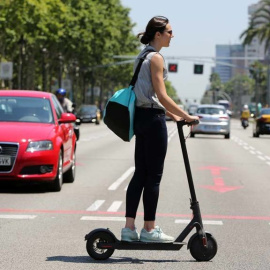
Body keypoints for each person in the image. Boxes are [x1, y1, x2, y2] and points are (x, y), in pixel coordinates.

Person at [121, 16, 199, 243]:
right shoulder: (156, 58)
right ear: (158, 34)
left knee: (140, 174)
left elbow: (147, 96)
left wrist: (173, 115)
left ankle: (128, 229)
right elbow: (161, 95)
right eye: (169, 32)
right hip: (153, 122)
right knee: (153, 177)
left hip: (141, 119)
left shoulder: (141, 55)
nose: (172, 36)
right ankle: (149, 230)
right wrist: (187, 115)